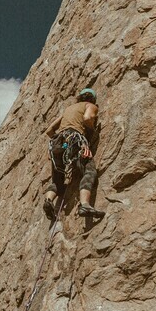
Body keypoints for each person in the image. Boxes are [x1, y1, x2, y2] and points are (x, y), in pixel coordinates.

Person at [42, 88, 105, 221]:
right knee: (89, 171)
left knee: (57, 180)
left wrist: (61, 141)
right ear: (93, 99)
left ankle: (48, 200)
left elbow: (49, 131)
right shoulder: (90, 105)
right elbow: (87, 118)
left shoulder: (68, 109)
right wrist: (90, 133)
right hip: (75, 139)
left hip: (57, 143)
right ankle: (85, 205)